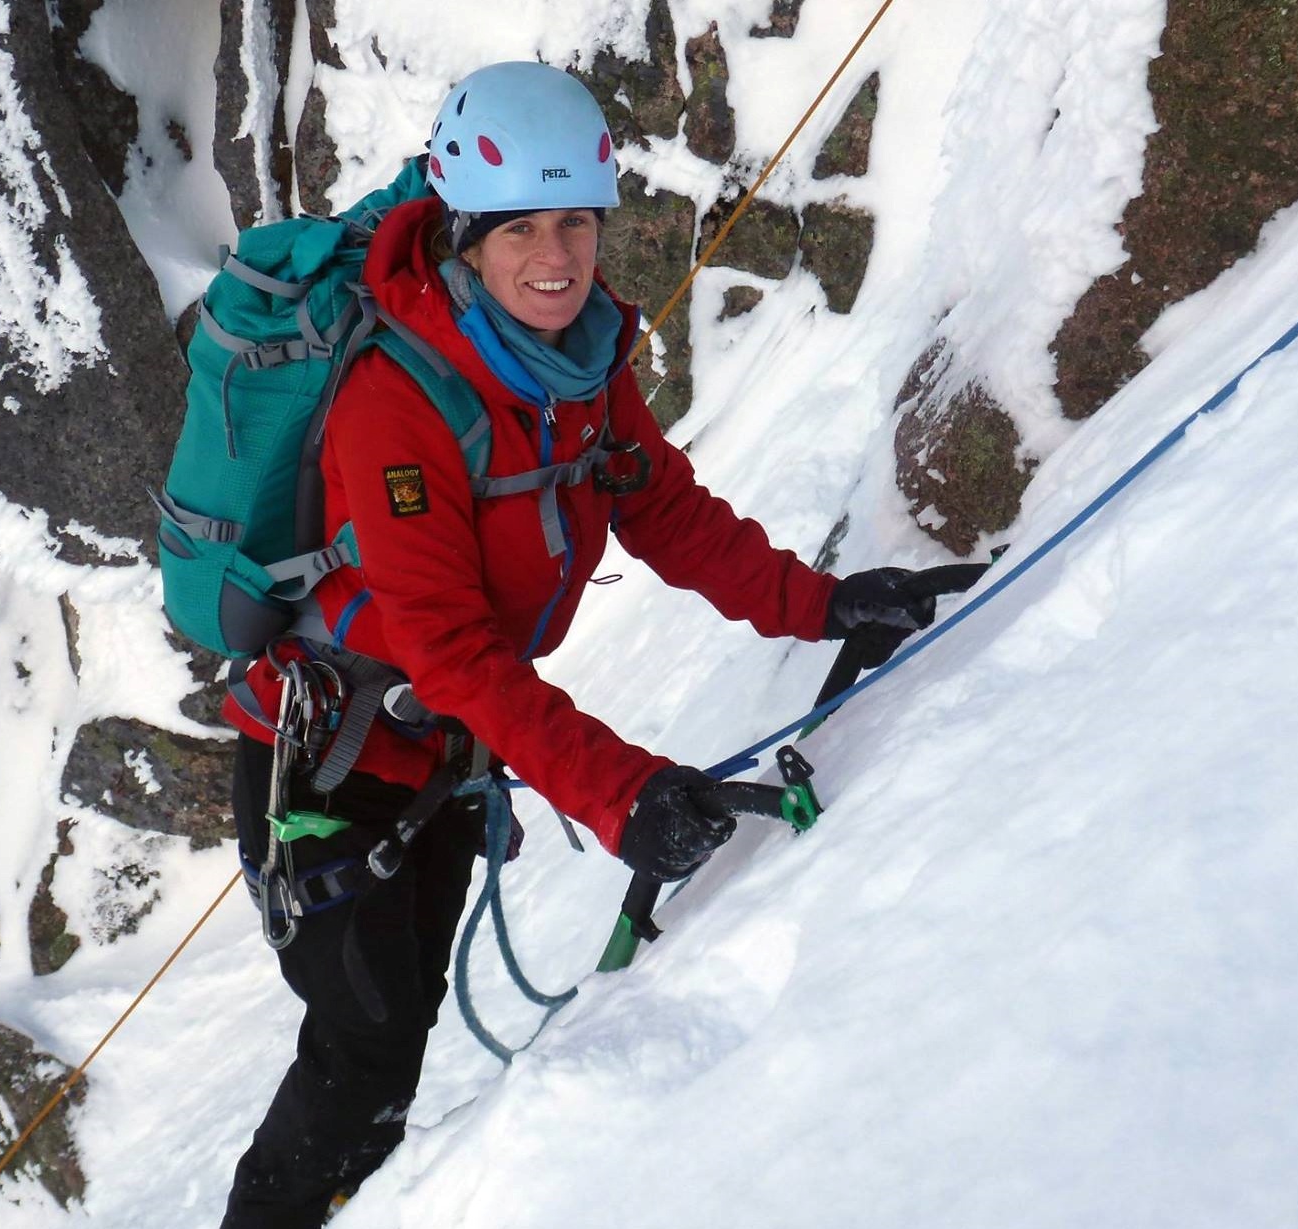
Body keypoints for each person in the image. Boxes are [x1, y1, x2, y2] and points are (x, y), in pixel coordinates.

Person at [218, 61, 942, 1229]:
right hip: (322, 769)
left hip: (443, 752)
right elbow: (449, 647)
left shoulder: (582, 362)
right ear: (465, 233)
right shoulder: (393, 404)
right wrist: (622, 792)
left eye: (576, 223)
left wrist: (822, 604)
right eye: (523, 230)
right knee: (362, 1049)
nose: (556, 256)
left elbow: (660, 507)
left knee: (395, 1047)